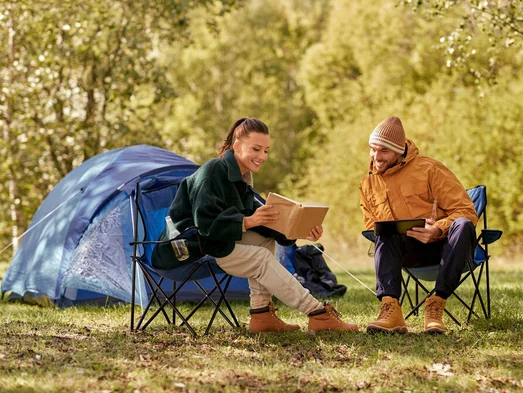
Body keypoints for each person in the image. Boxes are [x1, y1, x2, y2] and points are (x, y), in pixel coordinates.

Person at [154, 117, 358, 333]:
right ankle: (317, 313)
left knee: (264, 239)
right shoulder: (214, 170)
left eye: (266, 151)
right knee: (260, 259)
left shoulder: (243, 180)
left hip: (215, 244)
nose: (262, 156)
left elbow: (264, 223)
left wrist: (300, 231)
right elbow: (205, 225)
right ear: (237, 146)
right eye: (256, 149)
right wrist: (249, 221)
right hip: (186, 251)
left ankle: (261, 315)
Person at [359, 116, 477, 334]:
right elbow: (370, 226)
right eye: (373, 149)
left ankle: (435, 306)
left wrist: (437, 229)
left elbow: (467, 212)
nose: (376, 157)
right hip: (407, 254)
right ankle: (390, 309)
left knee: (463, 224)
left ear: (399, 149)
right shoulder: (368, 183)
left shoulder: (430, 169)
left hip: (445, 250)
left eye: (383, 151)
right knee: (383, 231)